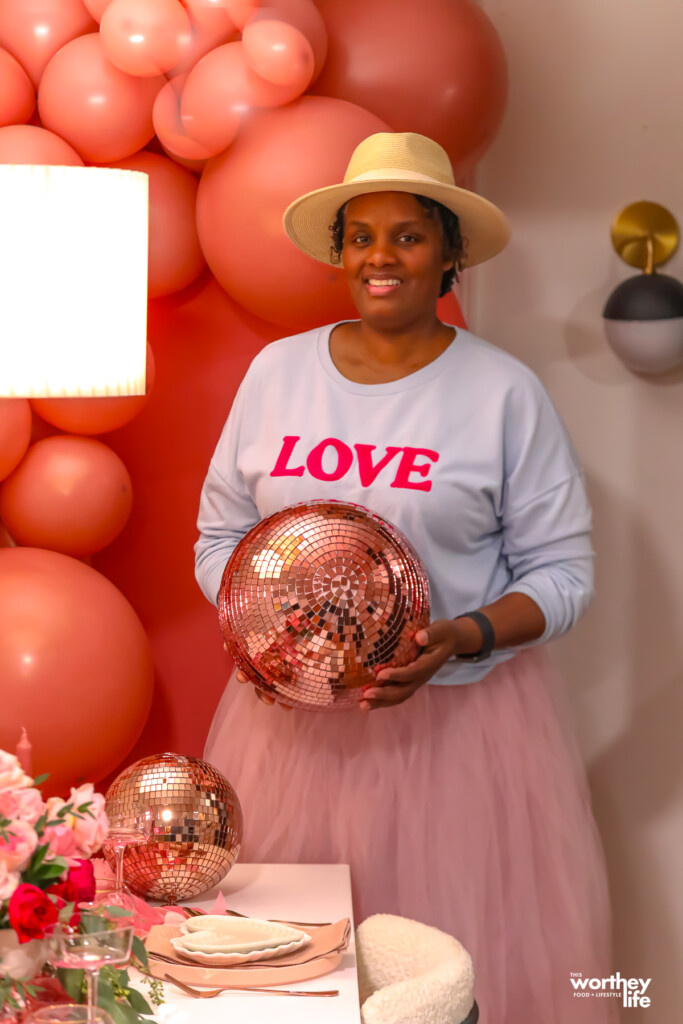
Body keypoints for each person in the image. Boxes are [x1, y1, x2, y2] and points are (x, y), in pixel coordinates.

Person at [195, 132, 616, 1023]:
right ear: (340, 252)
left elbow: (563, 573)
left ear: (448, 255)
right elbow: (220, 537)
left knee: (448, 978)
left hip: (460, 736)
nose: (379, 256)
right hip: (292, 740)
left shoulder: (502, 392)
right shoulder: (276, 374)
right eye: (360, 235)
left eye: (408, 235)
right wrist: (260, 638)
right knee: (286, 976)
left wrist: (462, 635)